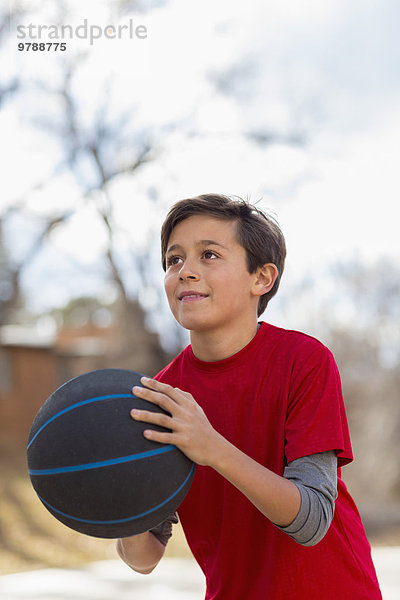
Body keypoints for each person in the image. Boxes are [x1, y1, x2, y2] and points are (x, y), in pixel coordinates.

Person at [116, 194, 382, 599]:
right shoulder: (162, 397)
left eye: (208, 255)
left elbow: (312, 521)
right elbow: (145, 557)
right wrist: (120, 500)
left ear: (261, 278)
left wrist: (211, 447)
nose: (186, 271)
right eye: (174, 260)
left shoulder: (304, 362)